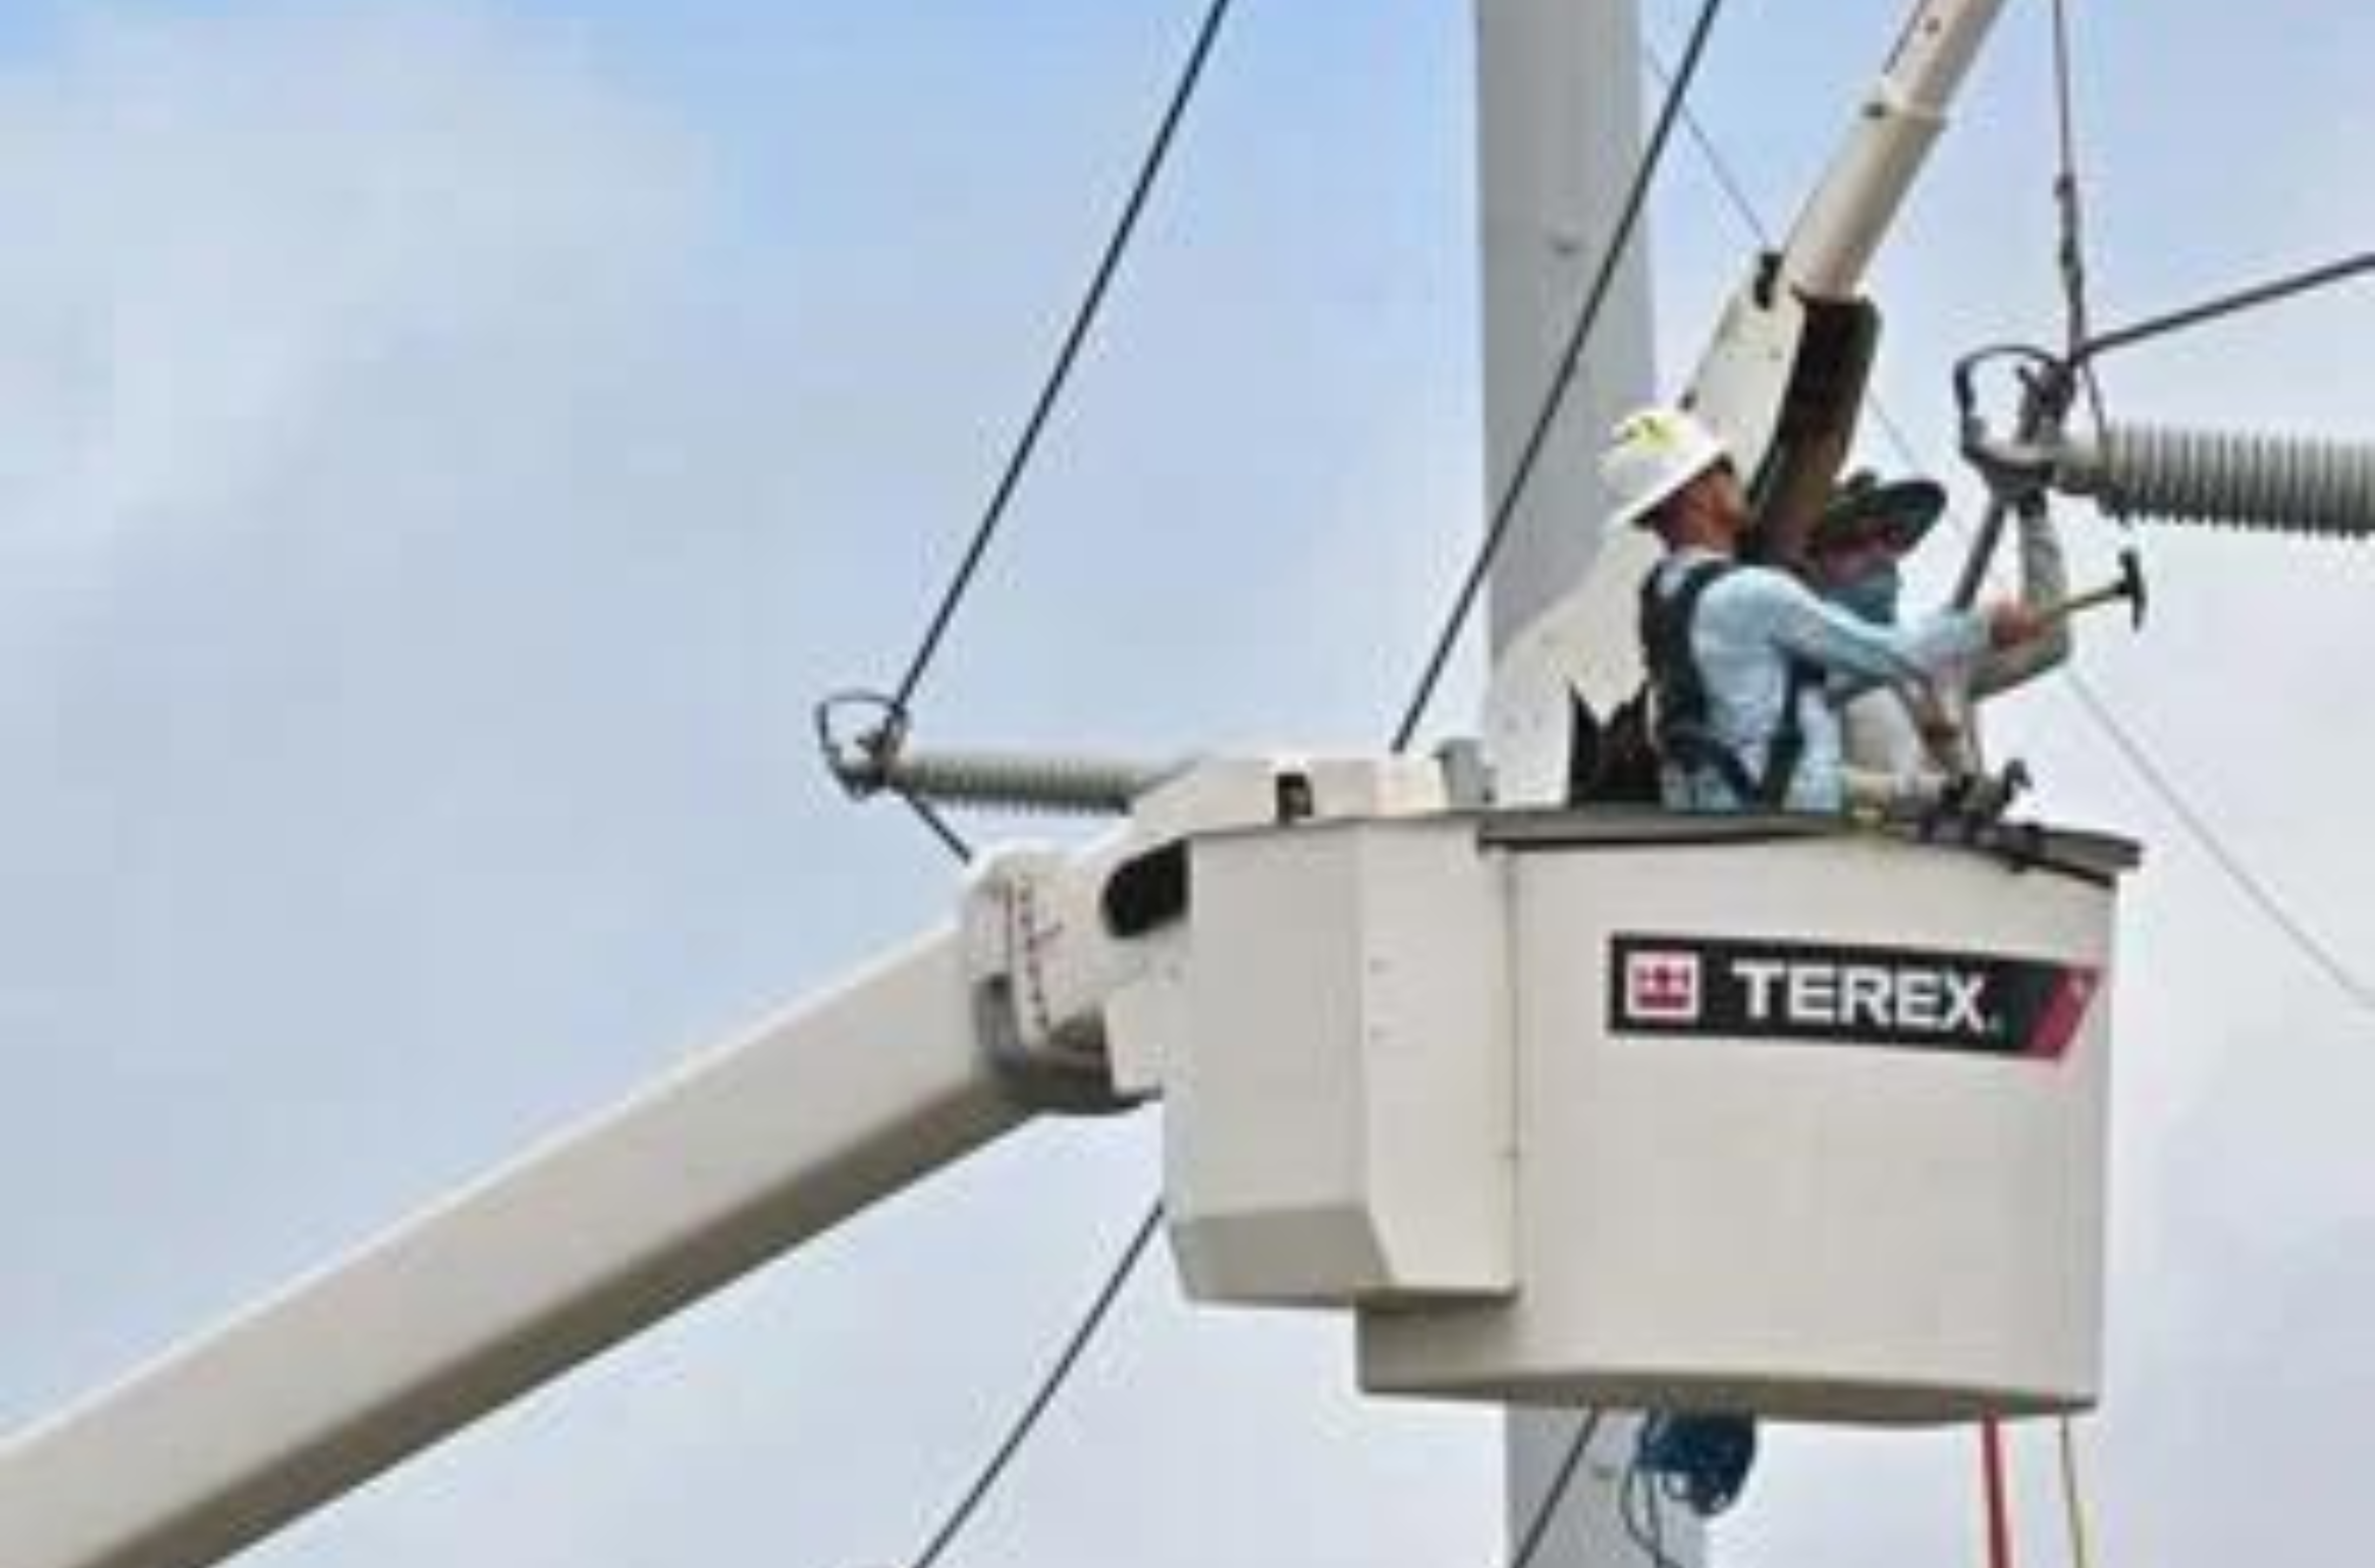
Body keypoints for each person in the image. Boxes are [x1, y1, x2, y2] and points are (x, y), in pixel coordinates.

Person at [1600, 406, 2043, 814]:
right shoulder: (1752, 594)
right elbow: (1887, 652)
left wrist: (1935, 790)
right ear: (1697, 493)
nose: (1738, 480)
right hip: (1777, 835)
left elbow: (1771, 700)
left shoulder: (1661, 601)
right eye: (1725, 468)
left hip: (1709, 827)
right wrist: (1983, 627)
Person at [1803, 470, 2072, 812]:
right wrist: (1930, 792)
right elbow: (1803, 784)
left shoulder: (1941, 652)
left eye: (1888, 538)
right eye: (1852, 544)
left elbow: (2050, 641)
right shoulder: (1803, 668)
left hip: (1960, 844)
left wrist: (2032, 510)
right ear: (1813, 567)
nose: (1880, 555)